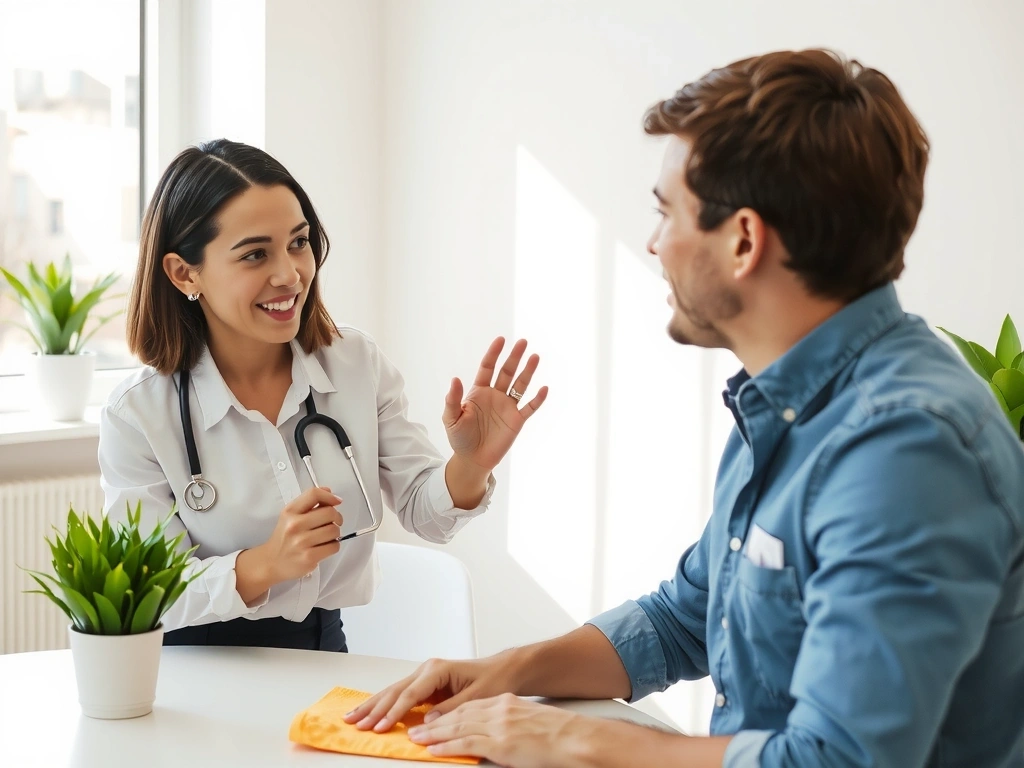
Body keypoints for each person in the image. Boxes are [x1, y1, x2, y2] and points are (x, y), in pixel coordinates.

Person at [343, 49, 1024, 767]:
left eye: (667, 212)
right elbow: (685, 619)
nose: (652, 242)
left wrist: (567, 738)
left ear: (743, 240)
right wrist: (501, 674)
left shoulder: (907, 449)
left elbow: (836, 760)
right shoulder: (783, 404)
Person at [97, 139, 548, 652]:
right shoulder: (137, 415)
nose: (290, 274)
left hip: (322, 649)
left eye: (299, 242)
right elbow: (150, 595)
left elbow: (428, 515)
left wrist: (470, 464)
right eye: (254, 254)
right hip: (197, 664)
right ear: (185, 273)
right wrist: (265, 563)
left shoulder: (355, 364)